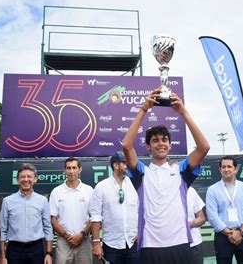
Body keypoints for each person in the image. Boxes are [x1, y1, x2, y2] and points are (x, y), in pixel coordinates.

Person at [122, 88, 210, 264]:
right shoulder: (142, 173)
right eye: (155, 140)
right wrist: (143, 109)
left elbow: (204, 147)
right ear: (148, 146)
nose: (160, 143)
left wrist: (183, 112)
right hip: (151, 246)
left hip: (180, 243)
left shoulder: (181, 171)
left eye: (164, 140)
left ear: (170, 145)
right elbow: (126, 146)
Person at [90, 151, 139, 264]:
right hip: (112, 245)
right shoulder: (101, 187)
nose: (129, 166)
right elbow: (96, 217)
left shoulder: (135, 185)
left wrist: (140, 233)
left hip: (133, 243)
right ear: (116, 165)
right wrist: (96, 243)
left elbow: (141, 211)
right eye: (125, 163)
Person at [0, 163, 53, 264]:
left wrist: (49, 253)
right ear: (17, 179)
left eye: (29, 176)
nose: (26, 179)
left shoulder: (42, 200)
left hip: (37, 250)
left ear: (35, 179)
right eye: (23, 177)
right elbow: (2, 230)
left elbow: (47, 227)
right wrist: (2, 256)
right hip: (14, 250)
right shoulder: (7, 201)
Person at [206, 156, 243, 264]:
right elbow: (212, 215)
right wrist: (229, 233)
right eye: (223, 167)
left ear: (236, 169)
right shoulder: (212, 190)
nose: (226, 169)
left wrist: (241, 232)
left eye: (229, 166)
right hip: (223, 236)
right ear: (220, 170)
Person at [49, 158, 93, 264]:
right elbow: (53, 219)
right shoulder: (56, 192)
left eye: (74, 168)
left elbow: (94, 218)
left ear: (80, 169)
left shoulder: (89, 190)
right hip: (63, 241)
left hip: (84, 240)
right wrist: (66, 236)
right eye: (68, 168)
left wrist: (81, 235)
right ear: (64, 170)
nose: (71, 171)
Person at [187, 186, 206, 264]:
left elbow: (202, 218)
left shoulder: (190, 191)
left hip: (194, 244)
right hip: (171, 245)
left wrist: (188, 225)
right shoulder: (162, 191)